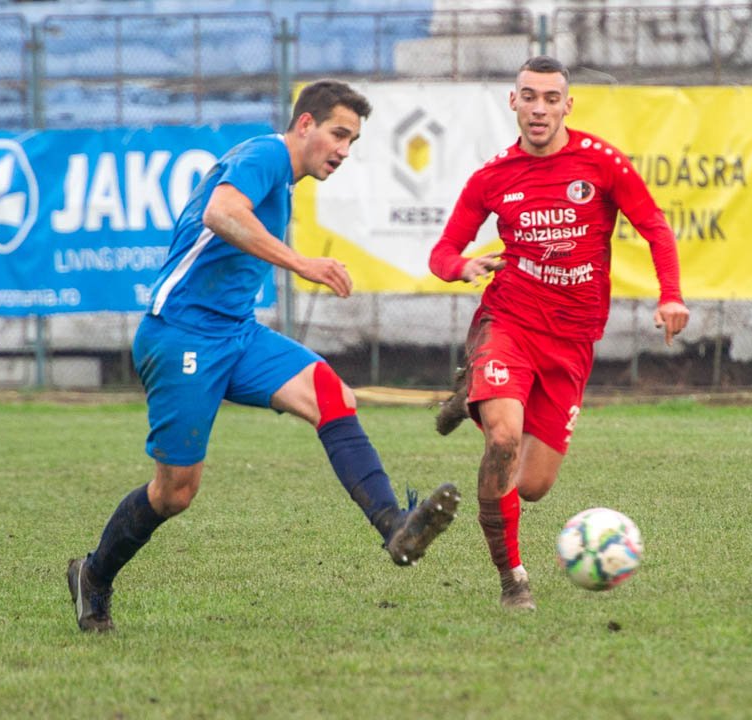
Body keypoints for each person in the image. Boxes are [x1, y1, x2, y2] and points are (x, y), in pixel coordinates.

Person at [66, 80, 461, 633]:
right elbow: (221, 213)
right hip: (181, 335)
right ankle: (93, 575)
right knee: (175, 492)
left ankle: (395, 526)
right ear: (305, 124)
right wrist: (302, 263)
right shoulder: (266, 155)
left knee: (332, 395)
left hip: (238, 334)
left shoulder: (283, 177)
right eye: (338, 134)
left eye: (352, 140)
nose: (344, 150)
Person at [428, 56, 690, 610]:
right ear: (514, 102)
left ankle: (469, 394)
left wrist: (670, 294)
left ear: (568, 105)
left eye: (551, 98)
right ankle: (513, 580)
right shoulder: (493, 177)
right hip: (509, 323)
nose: (539, 108)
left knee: (532, 485)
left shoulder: (601, 162)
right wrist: (462, 266)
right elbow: (443, 251)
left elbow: (654, 226)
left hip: (571, 342)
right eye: (529, 96)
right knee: (503, 440)